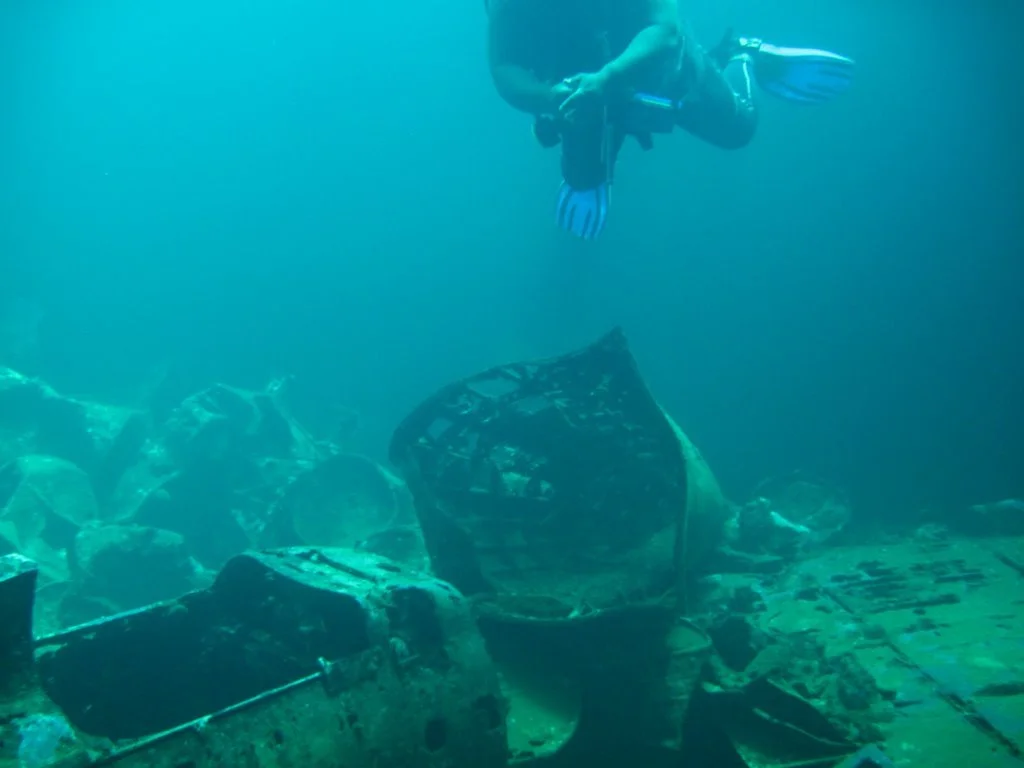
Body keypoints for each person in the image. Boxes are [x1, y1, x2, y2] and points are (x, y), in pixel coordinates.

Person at [485, 0, 856, 239]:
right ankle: (585, 170)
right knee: (583, 180)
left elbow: (664, 31)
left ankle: (742, 56)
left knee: (739, 128)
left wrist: (607, 78)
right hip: (578, 99)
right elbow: (505, 66)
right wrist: (549, 98)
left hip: (658, 76)